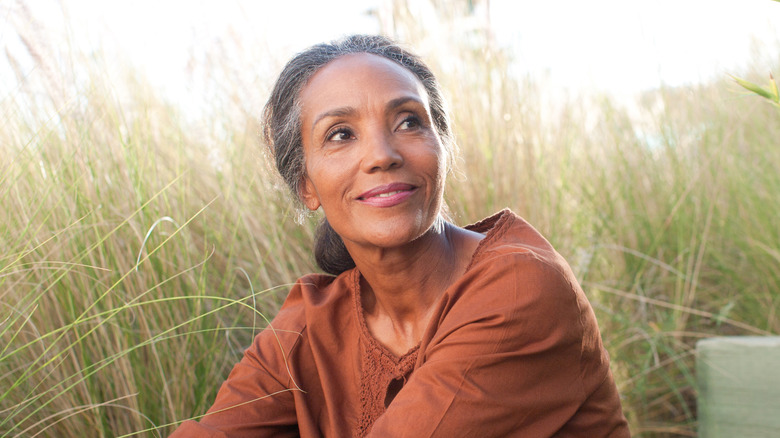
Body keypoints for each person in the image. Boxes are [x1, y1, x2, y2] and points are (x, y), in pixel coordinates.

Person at [171, 34, 630, 437]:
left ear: (442, 149)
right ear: (306, 185)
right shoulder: (312, 326)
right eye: (341, 134)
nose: (381, 155)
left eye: (409, 121)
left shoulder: (518, 289)